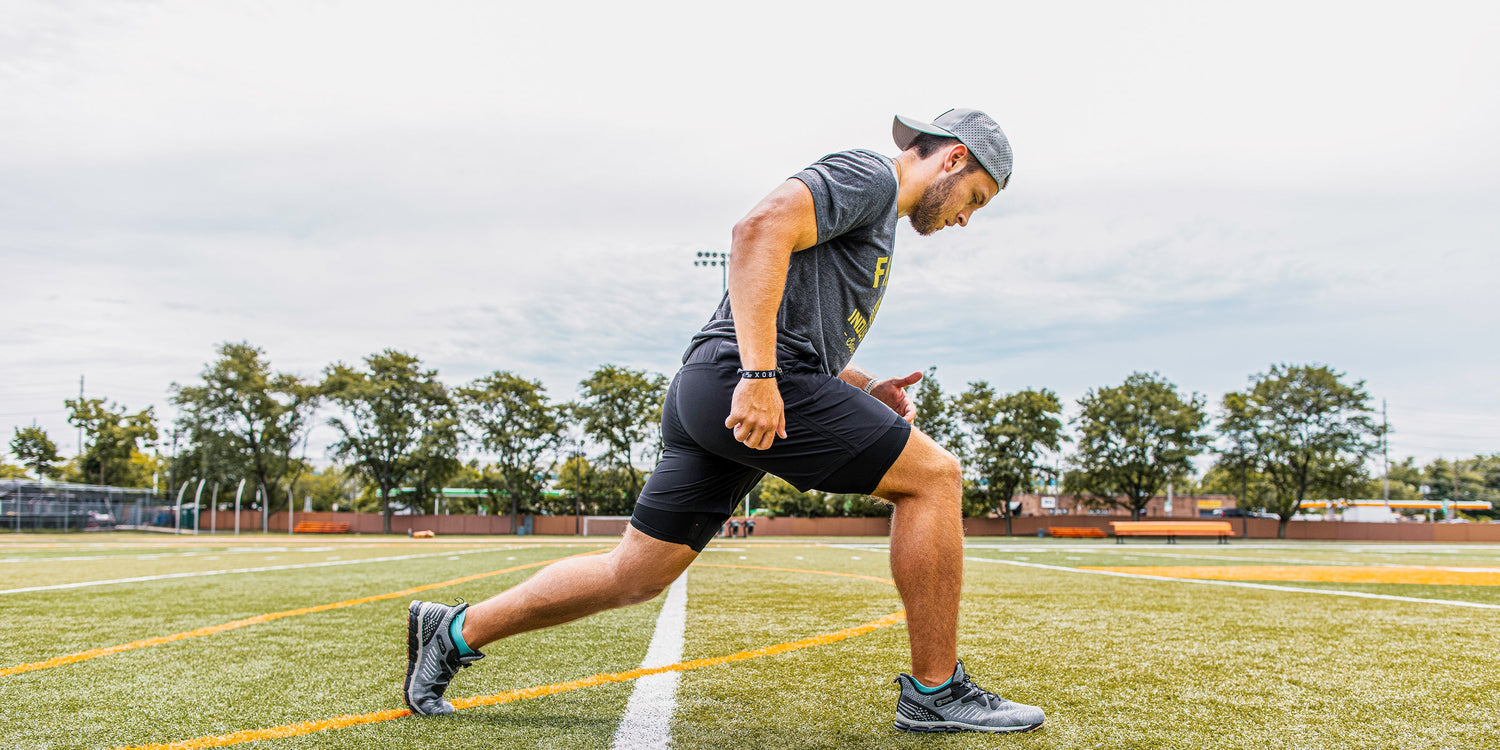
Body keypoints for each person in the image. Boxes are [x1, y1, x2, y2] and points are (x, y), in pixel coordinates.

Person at [404, 108, 1044, 734]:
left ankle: (453, 631)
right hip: (746, 381)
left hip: (716, 388)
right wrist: (760, 378)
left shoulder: (877, 222)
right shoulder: (871, 177)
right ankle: (936, 692)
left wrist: (866, 386)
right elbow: (757, 230)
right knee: (933, 477)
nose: (965, 217)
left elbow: (801, 330)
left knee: (635, 574)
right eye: (975, 198)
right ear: (953, 158)